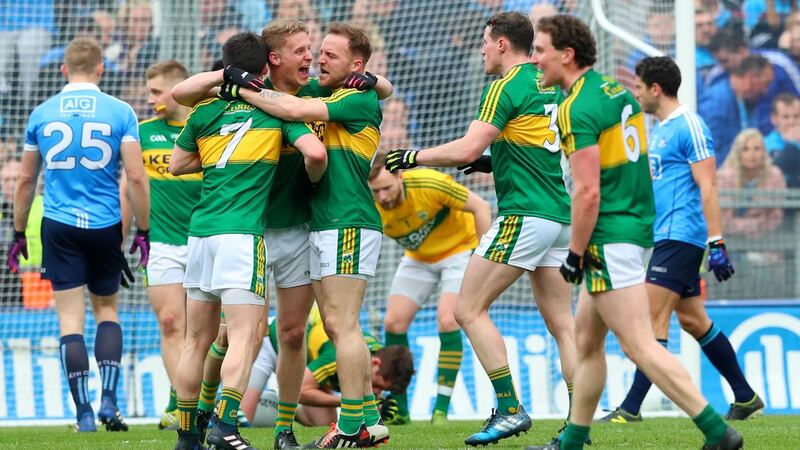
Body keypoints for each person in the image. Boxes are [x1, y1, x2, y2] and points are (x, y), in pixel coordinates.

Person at [170, 18, 393, 449]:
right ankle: (209, 413)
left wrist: (376, 78)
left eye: (316, 50)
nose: (310, 57)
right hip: (249, 231)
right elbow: (181, 93)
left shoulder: (312, 95)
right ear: (274, 59)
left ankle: (284, 430)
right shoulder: (241, 95)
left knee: (291, 333)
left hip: (295, 232)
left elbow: (381, 91)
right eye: (302, 50)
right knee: (230, 335)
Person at [525, 15, 743, 450]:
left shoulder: (575, 107)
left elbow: (587, 192)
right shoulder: (616, 91)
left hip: (606, 236)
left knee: (641, 345)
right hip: (634, 226)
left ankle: (718, 432)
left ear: (566, 55)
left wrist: (575, 251)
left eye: (540, 50)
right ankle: (572, 442)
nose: (535, 60)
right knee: (587, 344)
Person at [383, 12, 578, 447]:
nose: (482, 49)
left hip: (524, 214)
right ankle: (577, 426)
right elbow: (547, 146)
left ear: (504, 44)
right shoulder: (550, 86)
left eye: (486, 42)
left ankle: (509, 410)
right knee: (564, 324)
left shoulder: (504, 87)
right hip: (560, 218)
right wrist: (496, 162)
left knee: (466, 310)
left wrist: (413, 157)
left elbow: (467, 146)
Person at [167, 31, 327, 450]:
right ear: (268, 64)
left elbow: (177, 163)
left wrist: (223, 153)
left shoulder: (205, 110)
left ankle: (187, 436)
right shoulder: (276, 112)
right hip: (242, 234)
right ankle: (224, 426)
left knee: (195, 341)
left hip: (200, 231)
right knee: (244, 336)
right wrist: (310, 182)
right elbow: (315, 153)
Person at [598, 56, 762, 425]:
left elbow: (709, 184)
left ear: (655, 89)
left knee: (650, 322)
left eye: (639, 87)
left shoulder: (690, 125)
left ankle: (630, 408)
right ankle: (745, 396)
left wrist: (717, 241)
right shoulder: (658, 129)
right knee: (693, 320)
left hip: (681, 236)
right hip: (664, 235)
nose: (636, 94)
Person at [8, 37, 150, 432]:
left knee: (70, 320)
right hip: (105, 224)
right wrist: (144, 229)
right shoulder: (120, 111)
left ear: (63, 70)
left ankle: (83, 412)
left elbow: (24, 179)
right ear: (101, 69)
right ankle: (109, 400)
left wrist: (18, 231)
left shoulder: (41, 113)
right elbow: (136, 176)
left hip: (58, 224)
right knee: (107, 311)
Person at [368, 167, 492, 425]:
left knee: (448, 321)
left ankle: (440, 411)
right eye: (376, 191)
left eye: (387, 188)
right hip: (419, 257)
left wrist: (487, 261)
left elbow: (480, 206)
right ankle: (399, 410)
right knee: (393, 323)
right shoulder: (367, 203)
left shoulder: (429, 183)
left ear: (400, 177)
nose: (382, 196)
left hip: (459, 251)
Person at [132, 60, 200, 431]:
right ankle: (180, 404)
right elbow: (130, 185)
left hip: (206, 241)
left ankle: (199, 401)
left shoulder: (203, 129)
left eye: (157, 92)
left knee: (204, 331)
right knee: (171, 322)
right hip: (160, 243)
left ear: (178, 91)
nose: (150, 98)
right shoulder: (142, 133)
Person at [242, 316, 415, 427]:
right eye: (377, 385)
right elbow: (301, 392)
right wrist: (347, 402)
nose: (377, 392)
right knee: (242, 420)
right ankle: (263, 400)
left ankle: (278, 404)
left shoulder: (372, 357)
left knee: (325, 423)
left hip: (304, 361)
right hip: (272, 346)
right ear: (375, 362)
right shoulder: (341, 357)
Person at [699, 54, 773, 165]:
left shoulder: (748, 100)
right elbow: (708, 152)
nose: (766, 90)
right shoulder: (717, 102)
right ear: (750, 78)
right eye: (766, 83)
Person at [717, 129, 786, 239]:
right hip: (730, 241)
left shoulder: (775, 176)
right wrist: (756, 224)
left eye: (757, 149)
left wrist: (742, 226)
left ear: (764, 152)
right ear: (738, 153)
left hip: (767, 241)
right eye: (745, 149)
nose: (752, 154)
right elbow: (723, 220)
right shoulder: (724, 177)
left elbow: (776, 218)